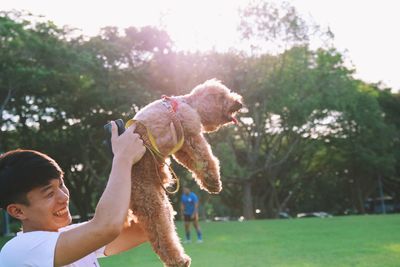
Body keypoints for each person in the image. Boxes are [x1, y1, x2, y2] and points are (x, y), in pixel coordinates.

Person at [0, 121, 147, 267]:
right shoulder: (18, 251)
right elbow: (107, 227)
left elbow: (145, 229)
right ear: (17, 211)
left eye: (61, 184)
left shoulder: (68, 235)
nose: (64, 197)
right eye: (49, 194)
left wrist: (152, 152)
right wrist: (123, 158)